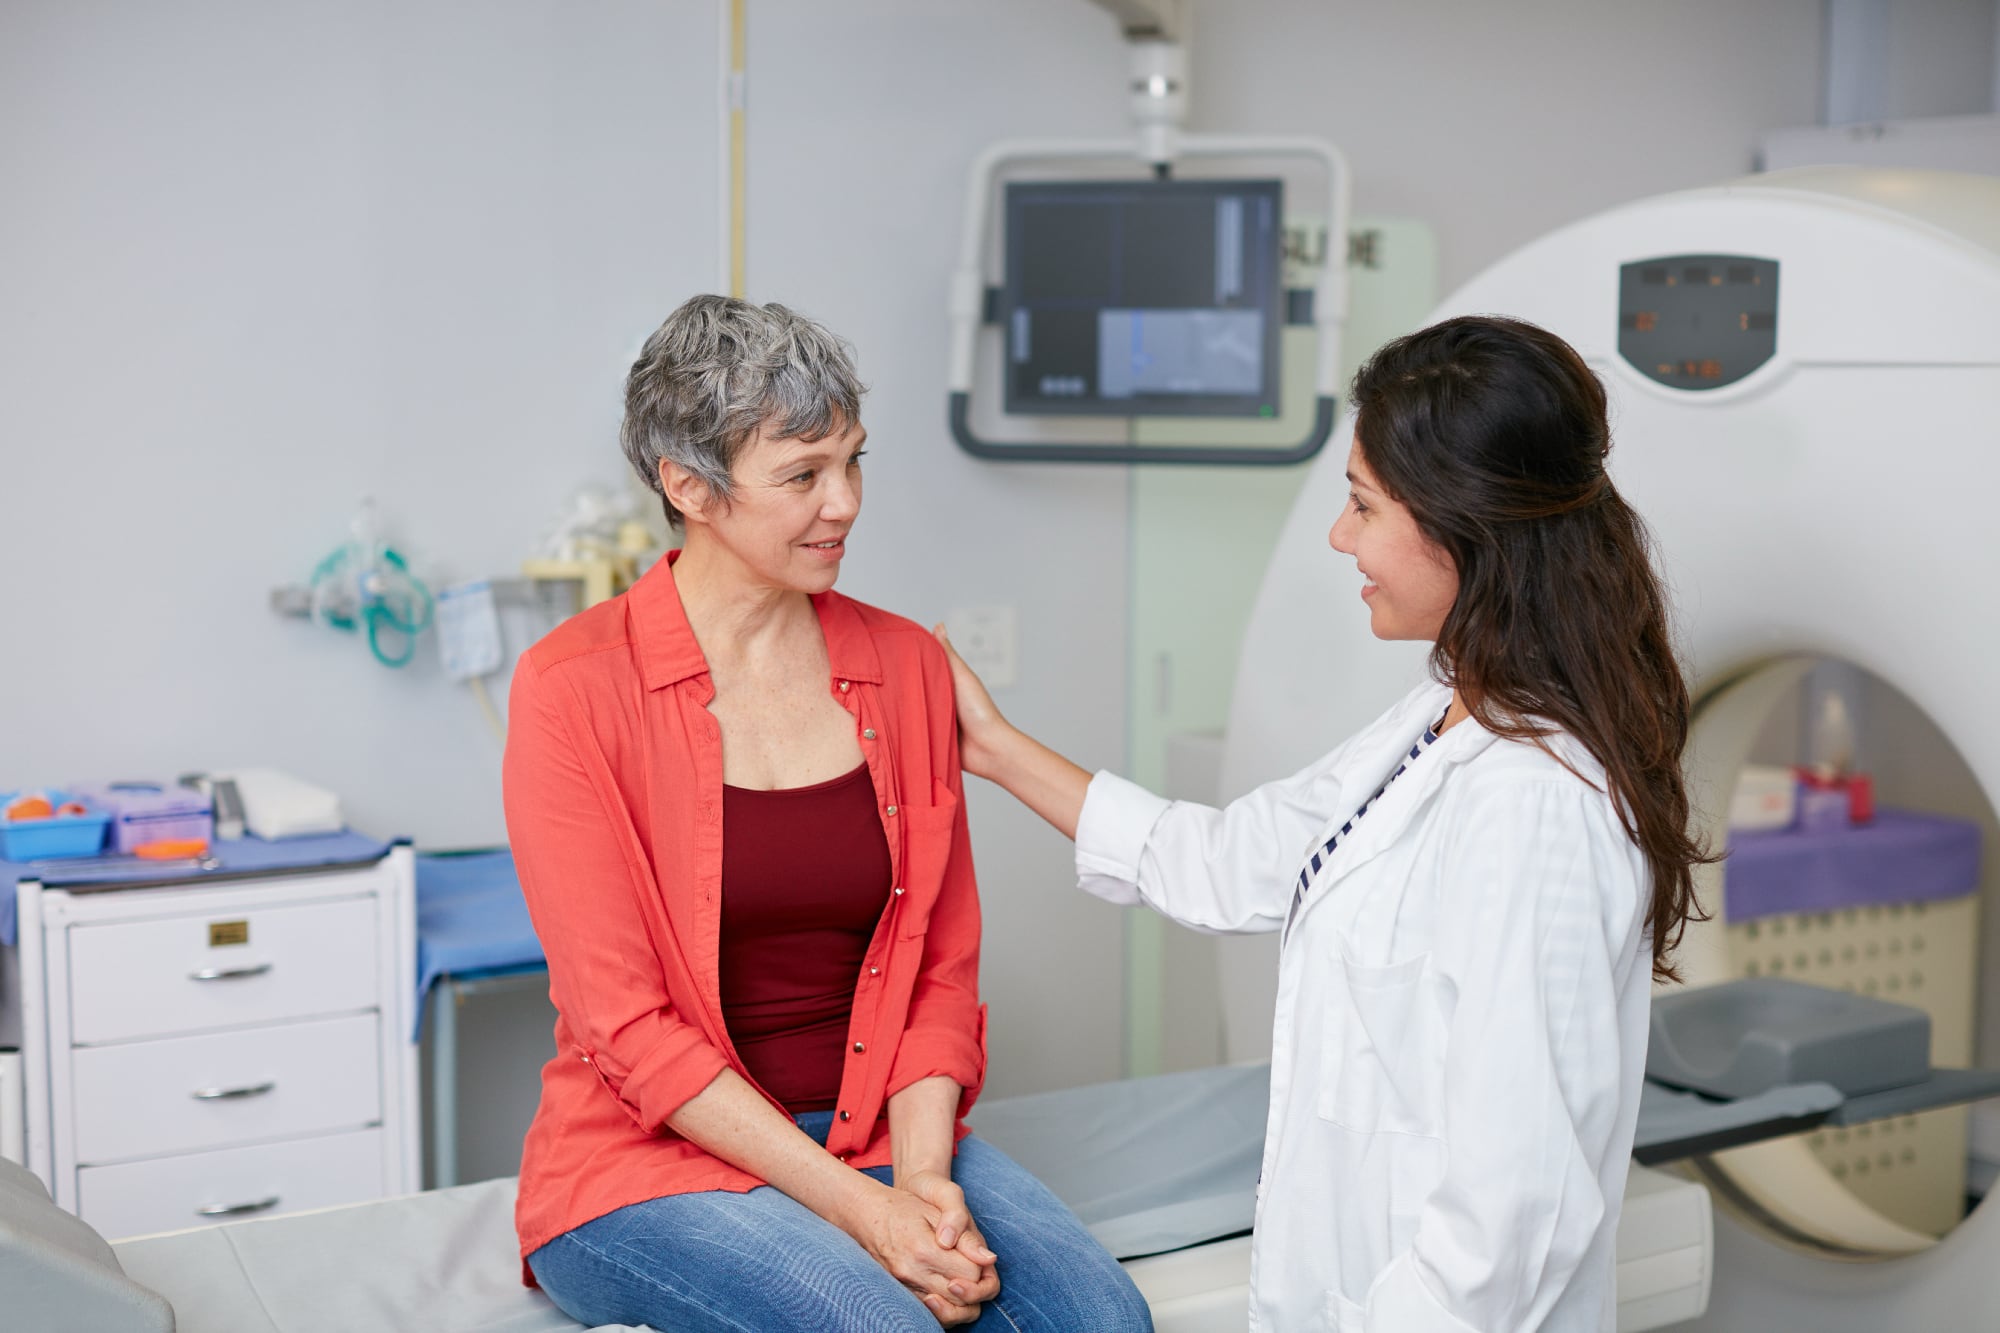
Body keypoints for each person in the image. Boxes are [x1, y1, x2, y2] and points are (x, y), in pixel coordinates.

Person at [937, 315, 1708, 1333]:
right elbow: (1220, 861)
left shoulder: (1535, 806)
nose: (1340, 535)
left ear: (1462, 522)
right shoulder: (1443, 715)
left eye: (1361, 504)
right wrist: (987, 743)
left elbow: (1509, 1218)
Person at [504, 294, 1152, 1333]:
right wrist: (866, 1214)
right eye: (802, 475)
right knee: (880, 1325)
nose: (843, 502)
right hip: (649, 1158)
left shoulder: (902, 663)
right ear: (688, 486)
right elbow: (622, 1027)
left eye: (852, 461)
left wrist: (925, 1182)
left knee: (1103, 1322)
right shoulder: (572, 686)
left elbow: (939, 968)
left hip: (881, 1133)